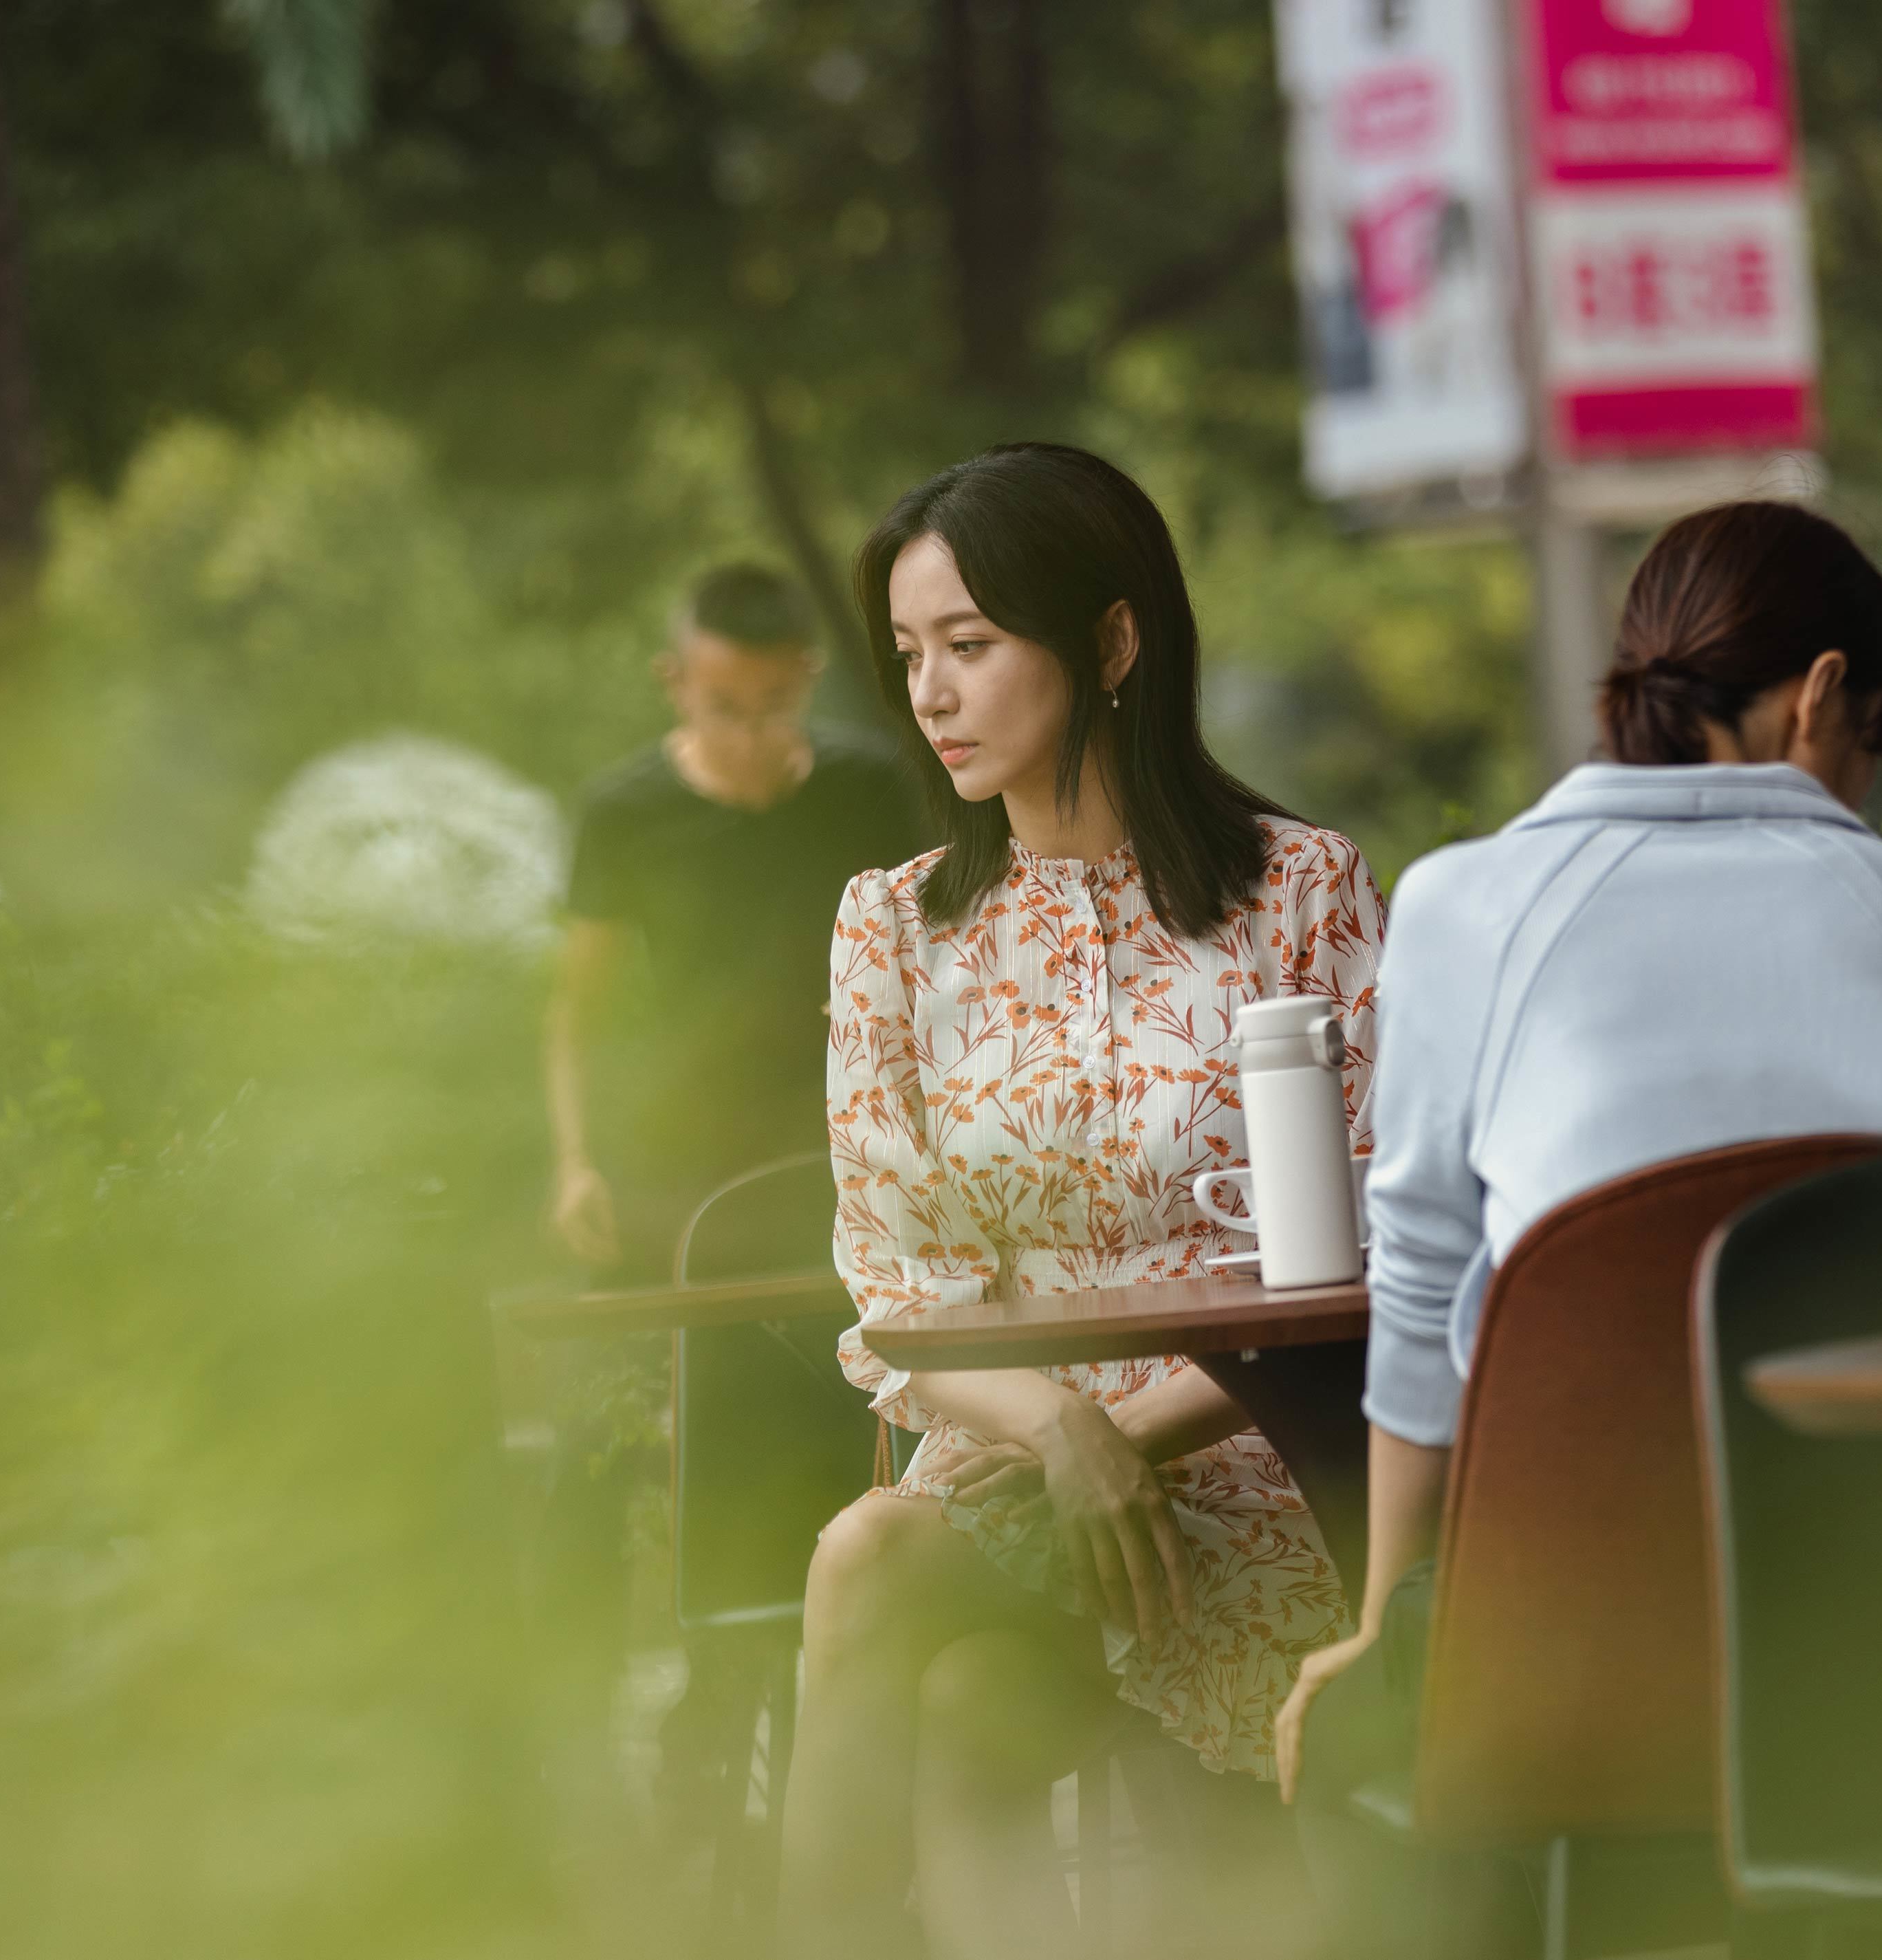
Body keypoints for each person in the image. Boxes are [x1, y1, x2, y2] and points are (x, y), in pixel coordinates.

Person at [1269, 499, 1882, 1796]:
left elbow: (1424, 1274)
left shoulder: (1463, 903)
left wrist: (1390, 1627)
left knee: (1352, 1753)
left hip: (1557, 1628)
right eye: (1872, 750)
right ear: (1823, 697)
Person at [782, 444, 1383, 1960]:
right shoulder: (893, 927)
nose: (930, 695)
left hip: (1264, 1457)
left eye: (972, 646)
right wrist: (1063, 1433)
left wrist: (1139, 1436)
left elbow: (1381, 1245)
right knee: (868, 1550)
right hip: (1011, 1467)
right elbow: (896, 1282)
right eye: (911, 654)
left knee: (969, 1702)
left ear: (1111, 643)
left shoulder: (1305, 893)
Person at [545, 562, 925, 1278]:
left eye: (774, 702)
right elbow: (579, 1007)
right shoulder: (622, 814)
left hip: (852, 1144)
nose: (750, 734)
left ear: (807, 676)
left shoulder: (874, 790)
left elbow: (929, 967)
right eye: (723, 707)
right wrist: (575, 1164)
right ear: (674, 683)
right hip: (681, 1152)